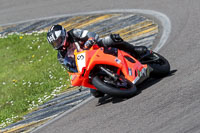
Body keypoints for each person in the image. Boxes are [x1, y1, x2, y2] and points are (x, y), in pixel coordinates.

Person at [47, 24, 148, 72]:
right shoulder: (61, 56)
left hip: (95, 49)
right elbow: (70, 69)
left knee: (112, 39)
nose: (58, 44)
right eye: (55, 43)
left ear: (64, 34)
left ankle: (135, 50)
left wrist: (90, 40)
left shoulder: (73, 33)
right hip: (88, 66)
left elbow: (90, 34)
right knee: (96, 93)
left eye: (59, 40)